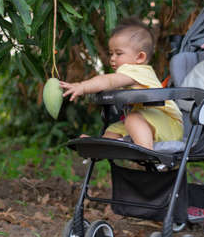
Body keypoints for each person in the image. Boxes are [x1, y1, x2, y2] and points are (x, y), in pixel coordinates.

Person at [59, 18, 183, 150]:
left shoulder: (135, 69)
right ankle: (102, 146)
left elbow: (108, 81)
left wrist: (82, 86)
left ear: (140, 57)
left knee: (132, 119)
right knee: (114, 129)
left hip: (166, 124)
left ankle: (146, 149)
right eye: (111, 53)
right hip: (153, 122)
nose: (112, 58)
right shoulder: (136, 72)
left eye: (119, 53)